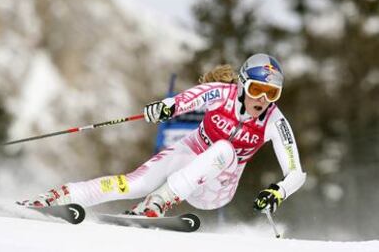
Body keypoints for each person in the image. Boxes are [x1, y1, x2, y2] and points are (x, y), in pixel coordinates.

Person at [20, 53, 306, 217]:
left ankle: (160, 201)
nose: (264, 99)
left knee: (224, 150)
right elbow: (187, 99)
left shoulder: (274, 121)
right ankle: (61, 196)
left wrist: (278, 192)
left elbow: (295, 171)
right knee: (135, 183)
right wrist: (164, 109)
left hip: (216, 189)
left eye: (272, 93)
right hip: (189, 153)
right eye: (258, 89)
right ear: (243, 85)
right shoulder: (222, 93)